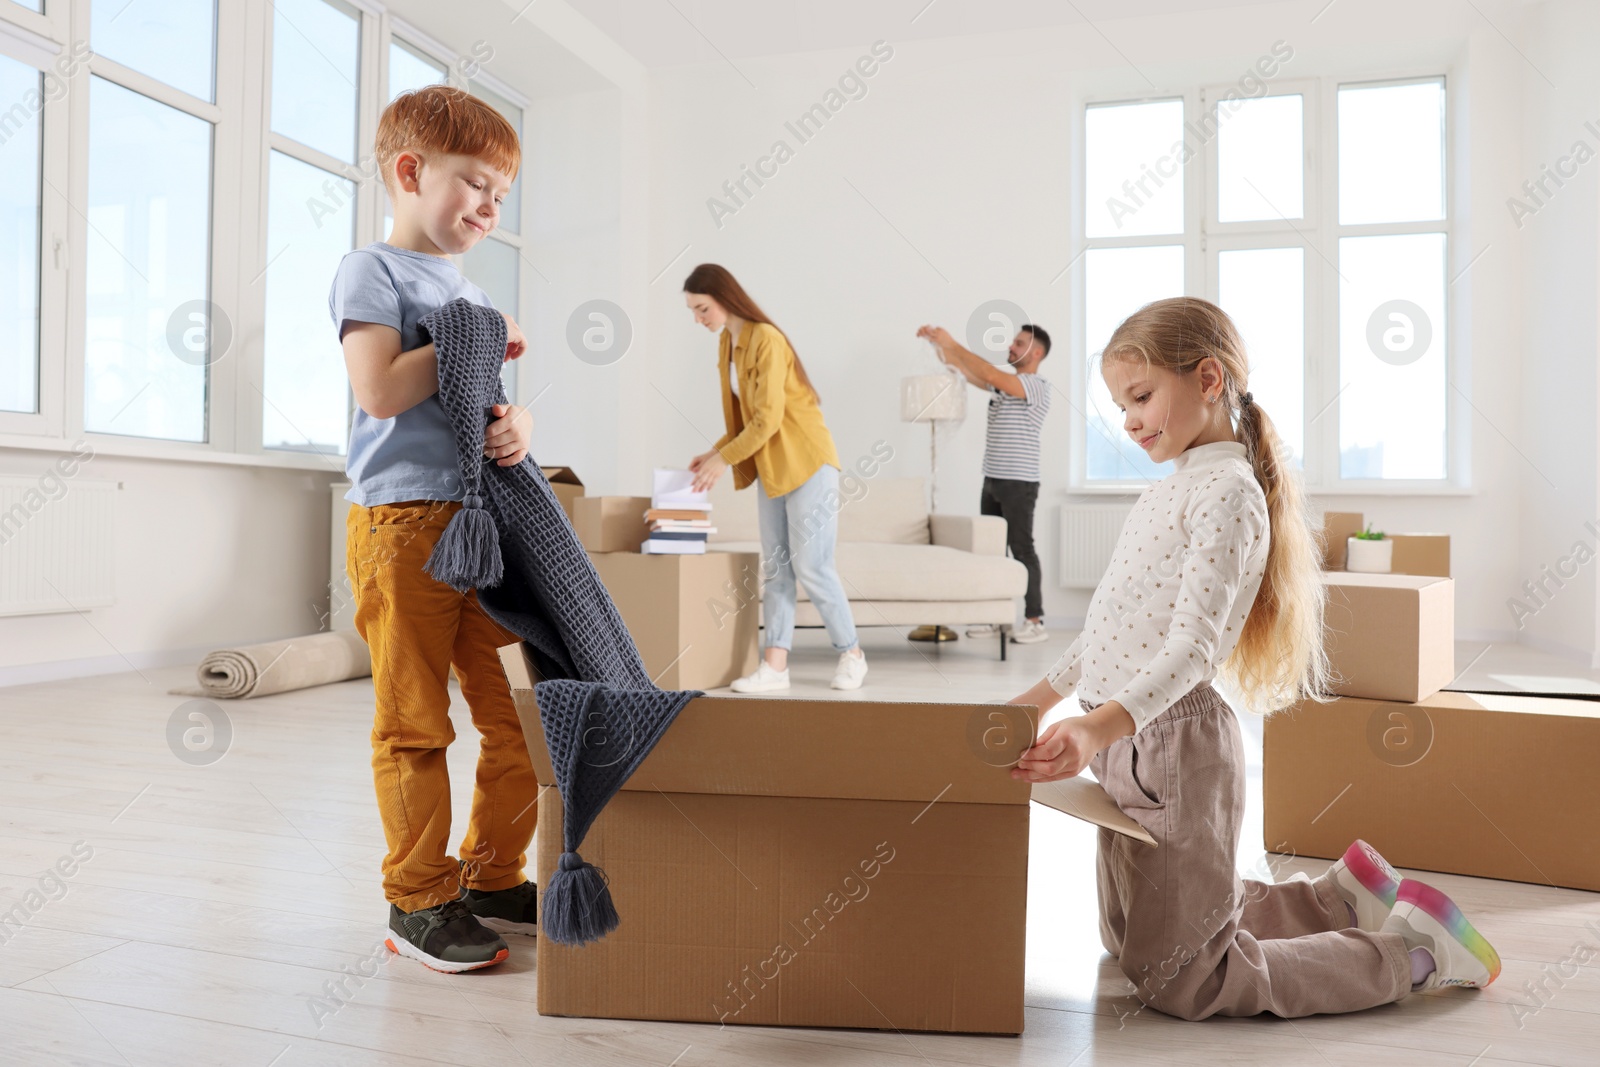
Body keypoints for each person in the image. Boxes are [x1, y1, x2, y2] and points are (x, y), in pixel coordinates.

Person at [1006, 297, 1499, 1019]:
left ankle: (1414, 952)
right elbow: (1110, 624)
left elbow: (1191, 651)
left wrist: (1093, 729)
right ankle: (1340, 899)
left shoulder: (1230, 494)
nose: (1131, 419)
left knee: (1186, 977)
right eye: (1121, 405)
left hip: (1173, 745)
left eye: (1141, 396)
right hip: (1121, 736)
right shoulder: (1170, 488)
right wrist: (1043, 697)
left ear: (1208, 379)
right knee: (1128, 941)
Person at [330, 86, 542, 974]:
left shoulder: (466, 290)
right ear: (411, 172)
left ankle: (494, 873)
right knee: (414, 724)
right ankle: (417, 897)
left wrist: (518, 424)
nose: (489, 208)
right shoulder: (370, 271)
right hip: (401, 529)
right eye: (475, 185)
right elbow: (378, 390)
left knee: (518, 718)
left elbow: (483, 397)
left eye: (501, 196)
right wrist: (473, 332)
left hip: (477, 526)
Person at [683, 264, 867, 692]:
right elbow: (745, 420)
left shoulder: (766, 339)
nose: (698, 318)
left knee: (812, 566)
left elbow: (766, 421)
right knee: (777, 569)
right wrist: (713, 453)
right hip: (771, 466)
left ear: (724, 299)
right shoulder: (728, 342)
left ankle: (853, 654)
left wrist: (722, 462)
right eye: (693, 311)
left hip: (808, 462)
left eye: (701, 308)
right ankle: (775, 668)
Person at [915, 322, 1052, 644]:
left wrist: (953, 342)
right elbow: (967, 371)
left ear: (1036, 352)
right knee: (991, 549)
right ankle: (996, 617)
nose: (1011, 347)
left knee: (1022, 549)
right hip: (992, 478)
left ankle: (1035, 620)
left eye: (1019, 344)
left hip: (1019, 483)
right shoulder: (1005, 387)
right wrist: (941, 347)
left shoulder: (1035, 385)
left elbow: (989, 374)